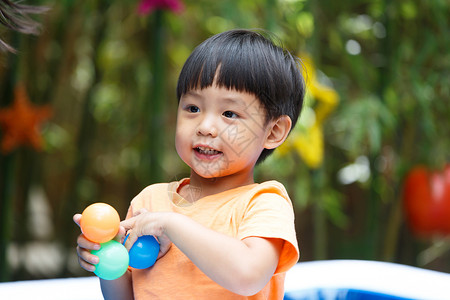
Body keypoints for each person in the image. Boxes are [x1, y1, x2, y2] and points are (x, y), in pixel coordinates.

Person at [74, 28, 305, 299]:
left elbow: (247, 276)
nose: (205, 126)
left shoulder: (264, 203)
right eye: (193, 108)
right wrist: (105, 258)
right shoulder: (150, 202)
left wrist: (172, 225)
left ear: (273, 131)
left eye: (229, 113)